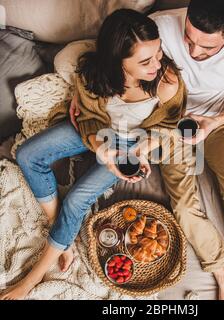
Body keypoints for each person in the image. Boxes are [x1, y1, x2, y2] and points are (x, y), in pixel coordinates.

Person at [70, 0, 224, 300]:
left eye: (207, 48)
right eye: (189, 39)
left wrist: (214, 122)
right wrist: (84, 95)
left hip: (214, 123)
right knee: (184, 206)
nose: (194, 52)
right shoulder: (160, 25)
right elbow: (116, 50)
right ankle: (221, 272)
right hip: (170, 124)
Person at [0, 9, 186, 300]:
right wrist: (101, 148)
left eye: (159, 53)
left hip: (132, 143)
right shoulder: (92, 73)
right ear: (117, 61)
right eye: (146, 60)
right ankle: (59, 231)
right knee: (27, 154)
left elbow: (170, 126)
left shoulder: (166, 82)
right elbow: (87, 117)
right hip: (96, 133)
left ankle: (30, 281)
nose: (157, 65)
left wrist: (142, 151)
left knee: (76, 201)